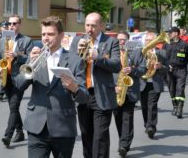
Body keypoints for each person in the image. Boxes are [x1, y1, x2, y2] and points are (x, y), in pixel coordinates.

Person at [14, 16, 88, 157]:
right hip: (37, 127)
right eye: (43, 34)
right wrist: (30, 62)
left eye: (50, 34)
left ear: (61, 36)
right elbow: (19, 85)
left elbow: (84, 97)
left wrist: (75, 88)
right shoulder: (35, 57)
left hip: (63, 127)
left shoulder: (75, 60)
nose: (46, 38)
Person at [69, 12, 121, 158]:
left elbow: (117, 65)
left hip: (103, 95)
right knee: (86, 135)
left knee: (100, 137)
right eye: (87, 25)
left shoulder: (111, 42)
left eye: (93, 25)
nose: (89, 29)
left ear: (101, 26)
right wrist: (78, 54)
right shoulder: (77, 41)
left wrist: (97, 57)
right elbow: (71, 66)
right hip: (83, 93)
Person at [0, 15, 33, 148]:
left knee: (14, 106)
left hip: (19, 78)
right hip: (6, 77)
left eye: (14, 23)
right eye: (10, 23)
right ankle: (20, 132)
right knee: (13, 108)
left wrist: (16, 55)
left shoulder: (26, 40)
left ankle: (8, 135)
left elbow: (30, 59)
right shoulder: (3, 40)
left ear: (20, 25)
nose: (11, 26)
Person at [113, 31, 147, 157]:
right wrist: (113, 87)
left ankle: (124, 145)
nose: (121, 42)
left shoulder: (137, 52)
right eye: (119, 40)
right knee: (118, 118)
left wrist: (133, 70)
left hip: (131, 90)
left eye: (124, 40)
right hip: (116, 90)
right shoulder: (113, 53)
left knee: (127, 117)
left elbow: (144, 69)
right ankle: (123, 138)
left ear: (129, 41)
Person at [140, 32, 168, 139]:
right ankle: (147, 124)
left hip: (155, 83)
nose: (149, 42)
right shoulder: (141, 52)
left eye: (151, 40)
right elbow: (136, 65)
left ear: (156, 41)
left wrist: (160, 66)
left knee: (152, 105)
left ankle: (151, 127)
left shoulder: (162, 53)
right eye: (147, 40)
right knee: (144, 106)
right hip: (143, 83)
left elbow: (166, 69)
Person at [164, 26, 188, 118]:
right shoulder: (167, 44)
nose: (169, 34)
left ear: (176, 34)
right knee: (171, 89)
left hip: (181, 70)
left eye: (171, 32)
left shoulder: (184, 45)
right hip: (169, 70)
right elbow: (163, 57)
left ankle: (180, 108)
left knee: (180, 89)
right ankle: (175, 105)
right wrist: (166, 65)